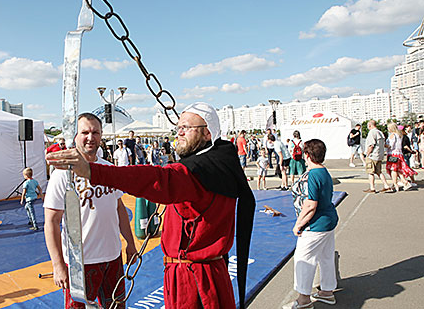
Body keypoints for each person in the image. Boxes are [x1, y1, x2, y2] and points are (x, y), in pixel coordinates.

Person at [46, 102, 256, 309]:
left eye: (187, 128)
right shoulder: (219, 162)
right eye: (179, 127)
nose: (179, 133)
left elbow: (157, 179)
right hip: (204, 273)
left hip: (194, 282)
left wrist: (94, 172)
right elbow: (52, 220)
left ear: (208, 133)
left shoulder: (198, 172)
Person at [43, 113, 136, 309]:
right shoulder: (63, 175)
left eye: (95, 132)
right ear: (75, 136)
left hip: (112, 257)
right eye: (85, 132)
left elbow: (119, 209)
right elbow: (51, 222)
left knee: (117, 307)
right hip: (80, 263)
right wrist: (58, 265)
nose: (90, 137)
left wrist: (130, 243)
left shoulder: (109, 169)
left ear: (101, 136)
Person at [288, 139, 339, 309]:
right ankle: (327, 291)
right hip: (328, 220)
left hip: (316, 224)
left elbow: (310, 204)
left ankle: (303, 300)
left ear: (307, 155)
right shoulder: (323, 171)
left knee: (304, 259)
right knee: (326, 257)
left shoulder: (312, 175)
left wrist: (298, 224)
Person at [385, 122, 416, 192]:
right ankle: (405, 182)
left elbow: (391, 145)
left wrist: (385, 145)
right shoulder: (399, 135)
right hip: (399, 154)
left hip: (392, 154)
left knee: (393, 170)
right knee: (399, 169)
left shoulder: (392, 135)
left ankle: (396, 184)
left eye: (388, 128)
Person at [363, 120, 392, 193]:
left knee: (370, 172)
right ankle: (386, 186)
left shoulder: (372, 132)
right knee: (379, 172)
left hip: (372, 155)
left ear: (370, 125)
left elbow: (371, 145)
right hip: (379, 155)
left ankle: (372, 188)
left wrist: (367, 154)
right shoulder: (380, 132)